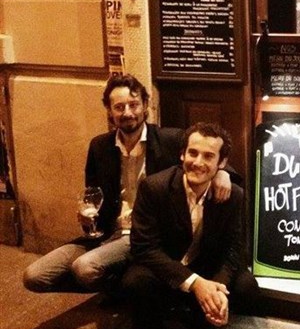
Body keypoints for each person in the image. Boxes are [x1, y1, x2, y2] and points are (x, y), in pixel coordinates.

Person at [23, 74, 233, 293]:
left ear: (145, 105)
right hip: (108, 233)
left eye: (133, 105)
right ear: (109, 110)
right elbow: (92, 196)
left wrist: (223, 173)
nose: (127, 113)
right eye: (119, 107)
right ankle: (117, 281)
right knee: (34, 276)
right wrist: (86, 219)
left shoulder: (169, 140)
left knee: (84, 268)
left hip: (143, 235)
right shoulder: (99, 146)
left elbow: (206, 157)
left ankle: (119, 287)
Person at [121, 122, 259, 329]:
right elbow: (144, 248)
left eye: (208, 156)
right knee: (135, 281)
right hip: (166, 268)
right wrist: (195, 284)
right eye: (193, 153)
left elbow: (234, 249)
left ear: (222, 163)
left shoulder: (234, 195)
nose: (198, 162)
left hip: (204, 266)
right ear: (182, 154)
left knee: (246, 286)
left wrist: (216, 290)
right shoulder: (154, 187)